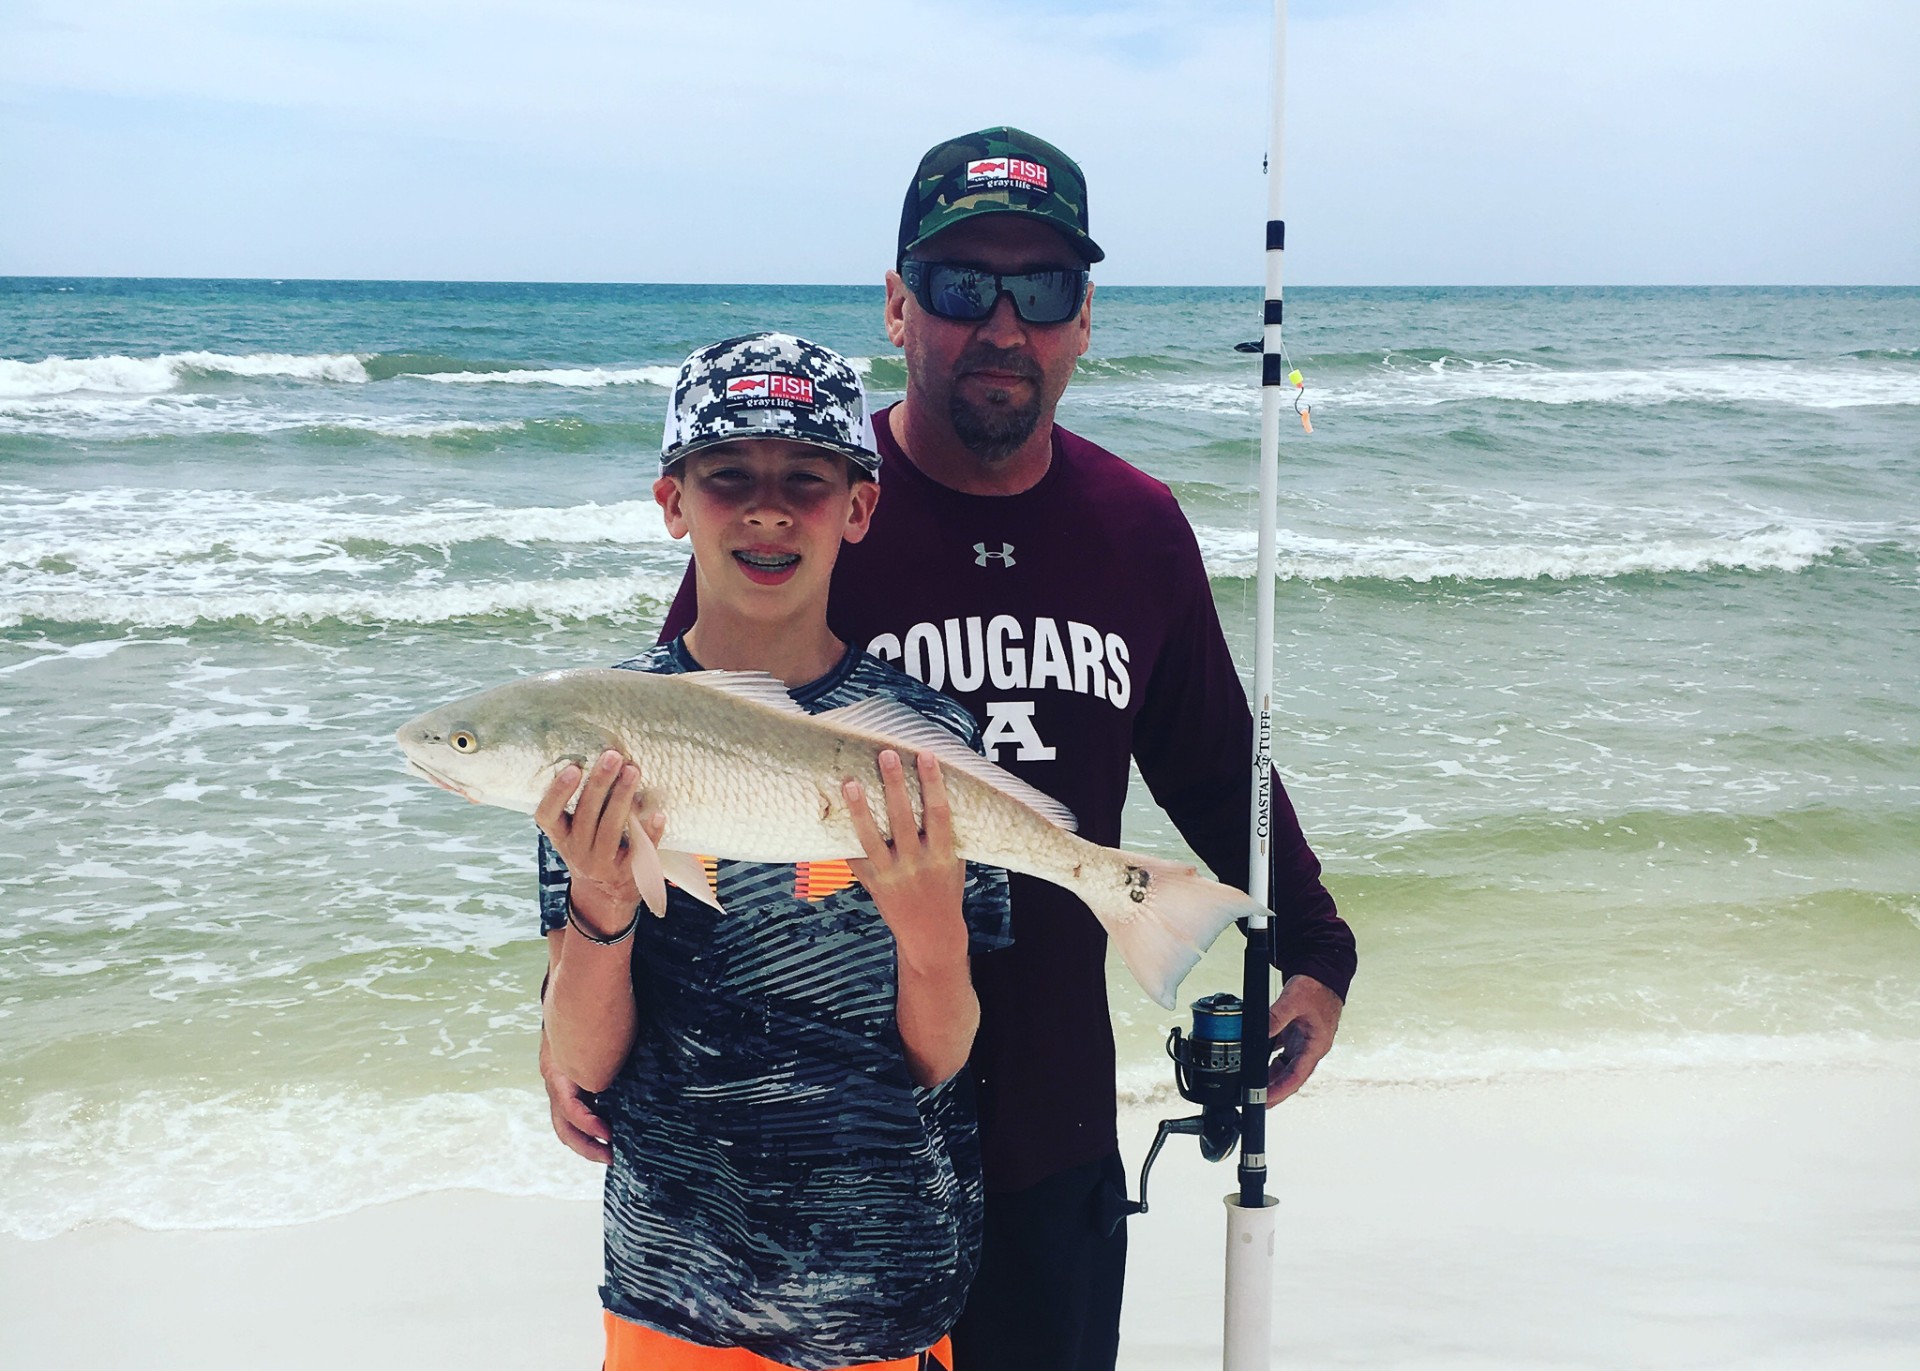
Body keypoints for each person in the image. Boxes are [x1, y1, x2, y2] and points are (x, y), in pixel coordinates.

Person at [545, 129, 1359, 1371]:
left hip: (1047, 1123)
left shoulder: (1136, 529)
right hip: (827, 1170)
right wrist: (580, 1028)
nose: (1001, 324)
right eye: (962, 284)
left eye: (1039, 289)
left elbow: (1211, 757)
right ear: (898, 305)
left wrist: (1314, 945)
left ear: (1084, 318)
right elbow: (672, 767)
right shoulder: (806, 505)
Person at [535, 332, 1011, 1371]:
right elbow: (579, 1069)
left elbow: (943, 1056)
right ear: (672, 503)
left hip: (888, 1295)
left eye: (806, 478)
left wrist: (931, 937)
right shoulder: (599, 732)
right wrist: (600, 905)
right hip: (673, 1294)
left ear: (858, 508)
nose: (766, 508)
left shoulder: (924, 738)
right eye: (726, 477)